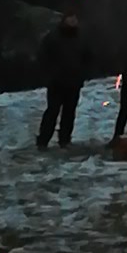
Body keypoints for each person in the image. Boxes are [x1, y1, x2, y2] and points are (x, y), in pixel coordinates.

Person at [37, 10, 94, 150]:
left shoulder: (81, 38)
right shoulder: (53, 37)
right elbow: (43, 57)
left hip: (74, 81)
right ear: (64, 20)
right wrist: (49, 74)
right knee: (52, 111)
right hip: (56, 81)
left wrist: (83, 73)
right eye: (70, 18)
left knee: (69, 112)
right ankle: (43, 141)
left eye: (75, 18)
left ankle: (64, 140)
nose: (73, 21)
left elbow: (88, 57)